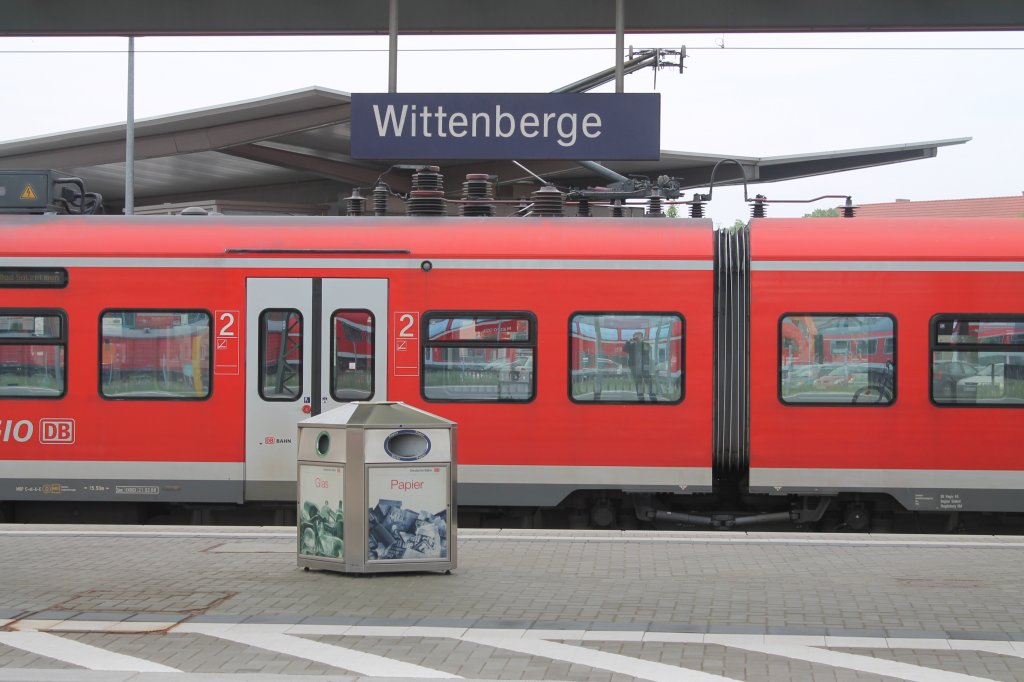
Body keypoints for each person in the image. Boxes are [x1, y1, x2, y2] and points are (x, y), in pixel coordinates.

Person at [623, 331, 655, 401]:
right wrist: (628, 341)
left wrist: (640, 342)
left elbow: (648, 350)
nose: (637, 337)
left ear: (642, 337)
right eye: (635, 336)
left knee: (648, 382)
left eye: (639, 336)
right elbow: (624, 349)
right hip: (634, 367)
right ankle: (641, 399)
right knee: (638, 383)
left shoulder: (646, 344)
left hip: (645, 367)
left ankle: (653, 399)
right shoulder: (631, 346)